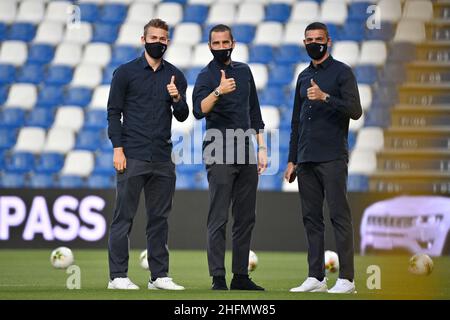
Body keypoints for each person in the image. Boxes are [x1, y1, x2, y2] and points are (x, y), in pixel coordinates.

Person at [107, 18, 188, 290]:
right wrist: (118, 149)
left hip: (163, 159)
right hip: (132, 155)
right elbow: (113, 113)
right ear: (143, 40)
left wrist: (177, 98)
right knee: (123, 218)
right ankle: (117, 277)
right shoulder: (125, 73)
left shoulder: (175, 75)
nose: (158, 42)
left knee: (159, 220)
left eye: (163, 38)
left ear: (168, 41)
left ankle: (159, 277)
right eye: (153, 38)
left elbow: (183, 114)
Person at [284, 22, 362, 294]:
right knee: (311, 218)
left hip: (332, 157)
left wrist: (326, 97)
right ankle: (316, 277)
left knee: (339, 216)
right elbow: (296, 121)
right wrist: (292, 159)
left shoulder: (342, 72)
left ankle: (348, 279)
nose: (313, 43)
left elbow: (355, 110)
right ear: (304, 42)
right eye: (309, 39)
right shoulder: (303, 76)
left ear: (328, 41)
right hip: (306, 159)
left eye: (318, 38)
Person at [193, 24, 267, 291]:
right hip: (218, 148)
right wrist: (218, 91)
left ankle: (240, 277)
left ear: (233, 43)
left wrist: (261, 148)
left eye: (226, 42)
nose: (222, 47)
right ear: (210, 46)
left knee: (246, 217)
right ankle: (218, 278)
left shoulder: (245, 71)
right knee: (219, 216)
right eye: (217, 43)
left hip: (246, 149)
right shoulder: (205, 75)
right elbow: (198, 111)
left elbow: (254, 112)